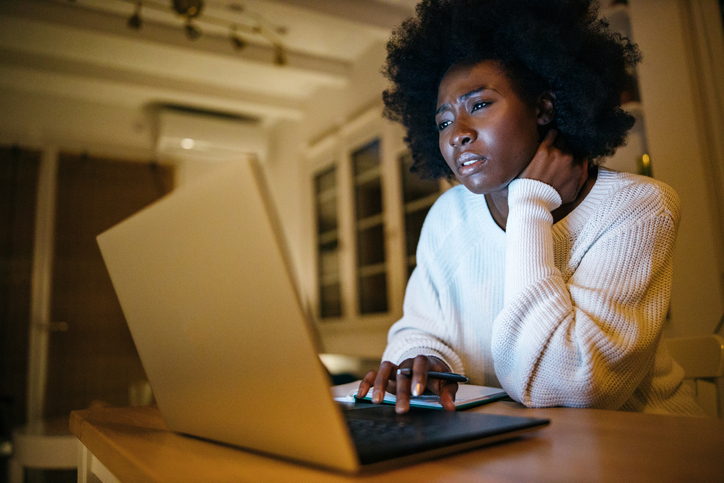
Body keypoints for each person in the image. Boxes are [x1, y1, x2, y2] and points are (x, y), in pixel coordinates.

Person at [357, 0, 704, 416]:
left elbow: (564, 386)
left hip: (644, 451)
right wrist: (426, 361)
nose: (457, 135)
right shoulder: (448, 215)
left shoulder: (638, 208)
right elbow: (420, 328)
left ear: (544, 107)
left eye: (480, 105)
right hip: (510, 445)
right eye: (443, 121)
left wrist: (530, 204)